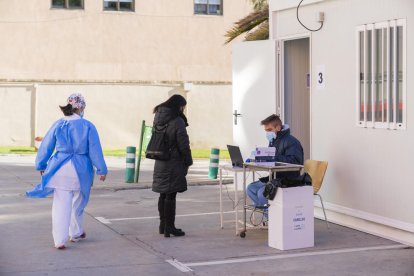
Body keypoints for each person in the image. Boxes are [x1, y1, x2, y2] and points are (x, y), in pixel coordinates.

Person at [26, 93, 107, 250]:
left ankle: (59, 240)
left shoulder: (59, 124)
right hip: (81, 170)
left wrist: (41, 165)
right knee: (78, 202)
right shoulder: (88, 125)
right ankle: (75, 232)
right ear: (81, 107)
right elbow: (95, 150)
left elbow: (46, 145)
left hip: (59, 168)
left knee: (61, 205)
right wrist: (101, 169)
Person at [152, 94, 193, 237]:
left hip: (160, 160)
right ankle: (170, 227)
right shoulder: (177, 121)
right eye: (183, 106)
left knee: (163, 194)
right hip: (173, 162)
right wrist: (188, 160)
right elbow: (183, 144)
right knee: (171, 195)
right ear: (179, 106)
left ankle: (163, 225)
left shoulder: (158, 118)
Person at [247, 114, 304, 213]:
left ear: (278, 127)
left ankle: (272, 221)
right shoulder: (273, 140)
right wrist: (259, 158)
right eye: (266, 131)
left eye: (269, 130)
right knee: (251, 188)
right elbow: (272, 159)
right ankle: (269, 218)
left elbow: (296, 161)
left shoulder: (292, 142)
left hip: (288, 179)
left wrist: (272, 158)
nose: (267, 133)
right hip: (275, 178)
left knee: (262, 193)